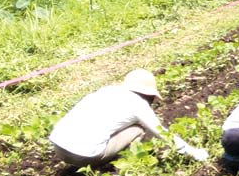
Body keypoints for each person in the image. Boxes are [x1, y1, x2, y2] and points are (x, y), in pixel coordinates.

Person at [49, 69, 208, 168]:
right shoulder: (139, 104)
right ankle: (118, 165)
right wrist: (194, 153)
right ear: (149, 95)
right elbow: (162, 134)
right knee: (138, 129)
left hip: (58, 146)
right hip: (84, 156)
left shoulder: (106, 90)